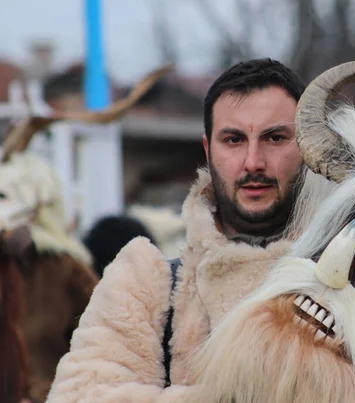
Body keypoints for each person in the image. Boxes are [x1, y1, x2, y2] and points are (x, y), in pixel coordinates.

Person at [45, 58, 330, 402]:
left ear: (308, 146)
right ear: (209, 150)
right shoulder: (145, 285)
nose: (253, 161)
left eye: (274, 137)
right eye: (234, 139)